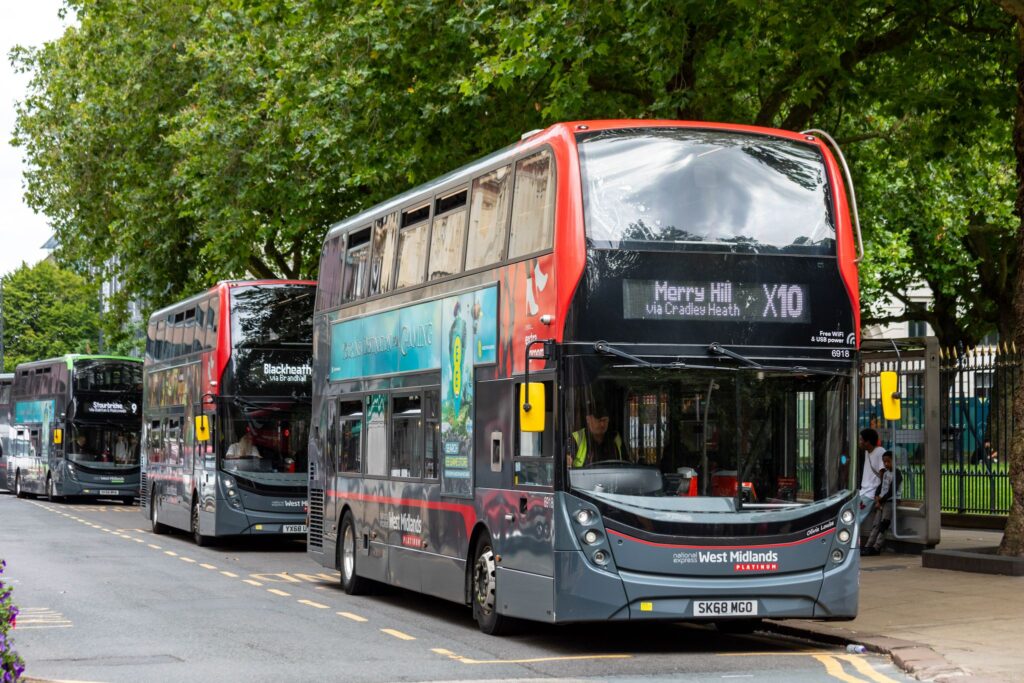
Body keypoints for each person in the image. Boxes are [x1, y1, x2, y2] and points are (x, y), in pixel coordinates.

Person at [862, 451, 903, 556]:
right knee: (876, 524)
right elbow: (881, 486)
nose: (886, 464)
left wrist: (880, 501)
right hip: (882, 501)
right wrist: (877, 496)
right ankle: (868, 545)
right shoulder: (885, 473)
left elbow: (892, 491)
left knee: (884, 524)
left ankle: (877, 547)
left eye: (888, 461)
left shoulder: (897, 473)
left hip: (890, 501)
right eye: (884, 462)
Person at [567, 402, 624, 468]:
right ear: (588, 419)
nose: (602, 424)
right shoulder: (576, 438)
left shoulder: (616, 438)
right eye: (599, 420)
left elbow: (627, 463)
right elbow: (566, 464)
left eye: (605, 420)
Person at [857, 428, 886, 524]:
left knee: (855, 519)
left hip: (870, 493)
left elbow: (883, 474)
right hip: (863, 492)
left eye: (861, 440)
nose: (859, 442)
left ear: (867, 442)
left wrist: (879, 496)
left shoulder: (880, 452)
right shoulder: (867, 452)